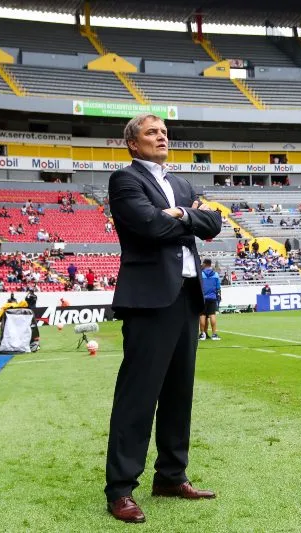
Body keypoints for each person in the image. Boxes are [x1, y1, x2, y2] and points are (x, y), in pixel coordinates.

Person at [104, 114, 222, 523]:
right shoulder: (125, 180)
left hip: (186, 298)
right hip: (150, 300)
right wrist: (185, 217)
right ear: (133, 144)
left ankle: (171, 476)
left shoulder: (184, 185)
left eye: (164, 132)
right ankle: (120, 489)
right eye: (152, 132)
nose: (161, 137)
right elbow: (150, 227)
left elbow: (214, 224)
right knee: (138, 397)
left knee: (178, 394)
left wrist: (181, 215)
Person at [198, 259, 221, 341]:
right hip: (212, 297)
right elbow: (218, 287)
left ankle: (202, 334)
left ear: (204, 264)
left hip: (203, 297)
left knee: (202, 315)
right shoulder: (216, 274)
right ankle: (214, 334)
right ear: (210, 264)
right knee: (212, 314)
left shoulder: (201, 274)